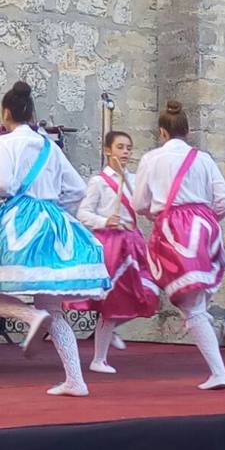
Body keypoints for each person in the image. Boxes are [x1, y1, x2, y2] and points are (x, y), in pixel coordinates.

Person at [0, 82, 109, 397]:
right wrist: (55, 210)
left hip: (19, 222)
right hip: (52, 220)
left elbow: (3, 184)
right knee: (53, 307)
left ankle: (30, 316)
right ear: (32, 114)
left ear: (6, 113)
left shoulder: (4, 143)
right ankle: (75, 379)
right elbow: (76, 189)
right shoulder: (49, 146)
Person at [133, 100, 225, 389]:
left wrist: (156, 213)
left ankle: (219, 373)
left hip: (173, 230)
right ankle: (219, 254)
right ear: (188, 132)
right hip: (205, 226)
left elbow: (139, 203)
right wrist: (208, 219)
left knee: (190, 306)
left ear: (162, 132)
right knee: (195, 300)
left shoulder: (151, 159)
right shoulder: (203, 159)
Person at [68, 130, 159, 373]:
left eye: (128, 147)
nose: (125, 152)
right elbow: (83, 214)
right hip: (112, 245)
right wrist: (105, 221)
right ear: (108, 150)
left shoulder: (135, 180)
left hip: (133, 243)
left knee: (148, 292)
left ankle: (113, 328)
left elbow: (145, 207)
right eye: (120, 147)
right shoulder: (99, 181)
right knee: (113, 301)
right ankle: (99, 359)